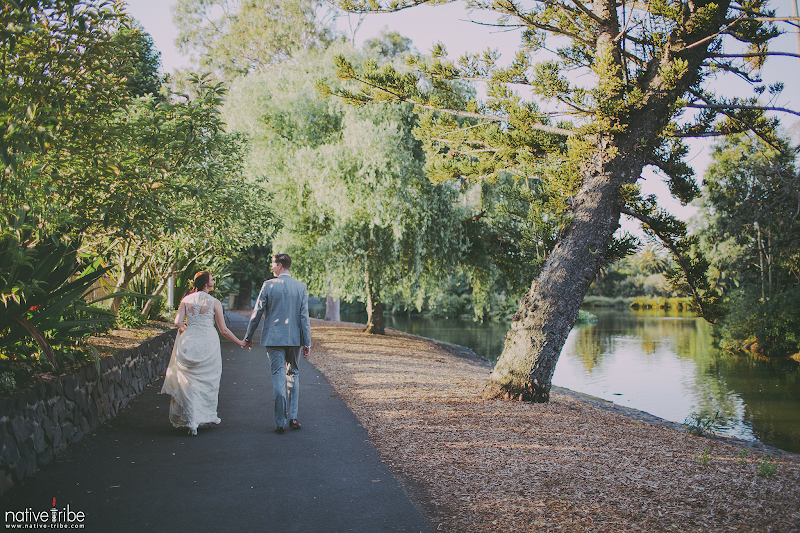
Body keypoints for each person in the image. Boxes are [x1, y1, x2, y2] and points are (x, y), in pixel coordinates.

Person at [162, 271, 246, 436]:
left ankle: (190, 418)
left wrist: (185, 329)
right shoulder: (214, 302)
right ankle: (200, 416)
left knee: (188, 380)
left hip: (189, 340)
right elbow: (223, 329)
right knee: (206, 380)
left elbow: (178, 322)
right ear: (206, 283)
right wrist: (240, 342)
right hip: (208, 342)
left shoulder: (186, 299)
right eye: (212, 279)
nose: (214, 281)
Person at [244, 254, 311, 434]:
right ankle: (294, 417)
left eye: (273, 264)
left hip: (274, 339)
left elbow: (257, 312)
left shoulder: (268, 285)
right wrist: (307, 342)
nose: (271, 268)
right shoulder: (301, 287)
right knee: (294, 373)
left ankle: (281, 422)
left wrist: (248, 336)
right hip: (295, 339)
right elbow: (304, 317)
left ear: (280, 266)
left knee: (278, 375)